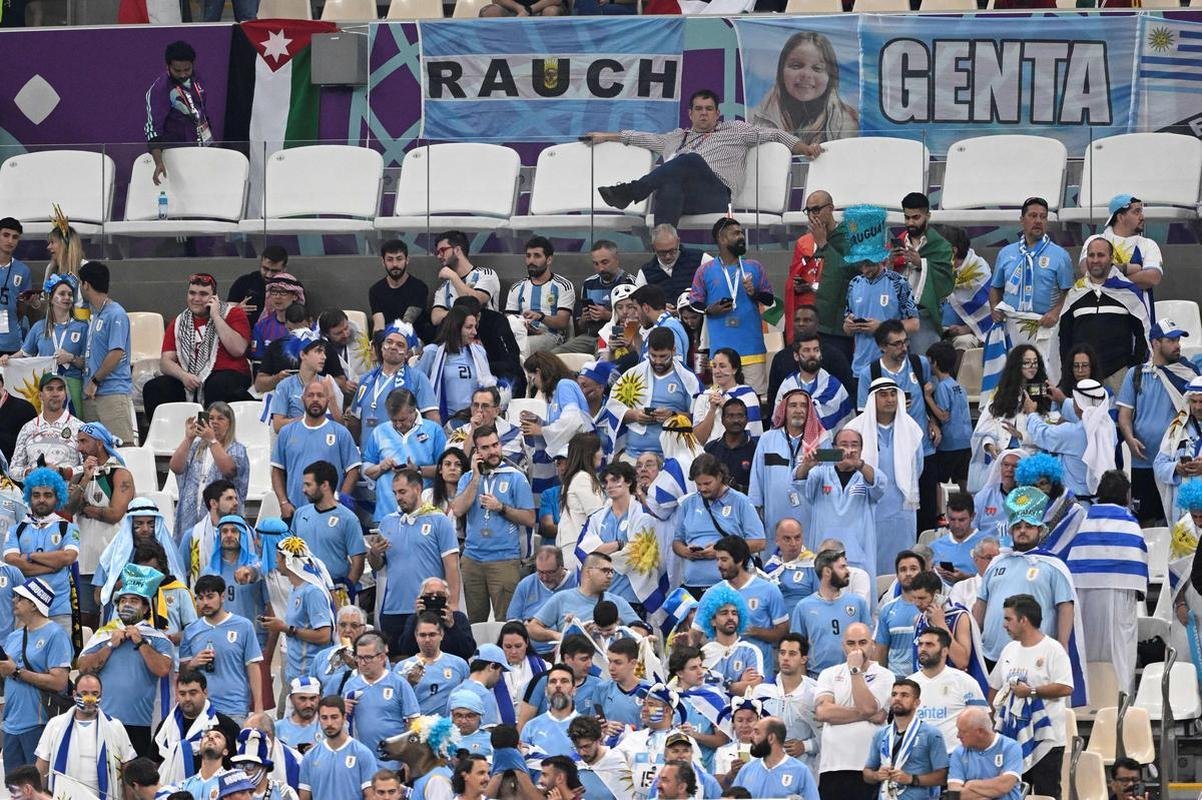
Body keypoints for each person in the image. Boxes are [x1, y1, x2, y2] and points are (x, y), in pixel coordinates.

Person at [589, 89, 821, 227]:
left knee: (690, 159)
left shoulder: (735, 130)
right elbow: (642, 138)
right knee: (668, 189)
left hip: (718, 195)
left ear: (717, 113)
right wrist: (606, 136)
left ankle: (631, 191)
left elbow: (776, 134)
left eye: (709, 109)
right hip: (686, 198)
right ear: (690, 113)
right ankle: (665, 254)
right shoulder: (676, 137)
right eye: (698, 109)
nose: (703, 113)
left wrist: (804, 148)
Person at [1049, 470, 1147, 695]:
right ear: (1126, 495)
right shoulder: (1130, 524)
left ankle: (1090, 700)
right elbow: (1139, 566)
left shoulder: (1084, 521)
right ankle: (1121, 702)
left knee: (1088, 649)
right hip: (1120, 594)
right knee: (1120, 652)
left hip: (1084, 592)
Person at [973, 487, 1081, 675]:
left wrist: (1063, 645)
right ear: (1011, 531)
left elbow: (1065, 606)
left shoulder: (1053, 565)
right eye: (1018, 526)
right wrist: (973, 640)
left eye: (1029, 526)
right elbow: (981, 603)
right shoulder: (996, 562)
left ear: (1040, 530)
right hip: (990, 654)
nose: (1022, 531)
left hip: (1035, 654)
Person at [77, 564, 173, 757]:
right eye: (123, 601)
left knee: (135, 774)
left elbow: (162, 669)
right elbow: (83, 668)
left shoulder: (158, 639)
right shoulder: (103, 634)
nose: (127, 605)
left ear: (145, 607)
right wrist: (110, 645)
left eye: (134, 601)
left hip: (139, 724)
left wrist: (140, 642)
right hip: (104, 719)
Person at [988, 593, 1073, 797]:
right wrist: (992, 717)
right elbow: (995, 686)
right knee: (1013, 793)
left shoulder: (1053, 649)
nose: (1004, 625)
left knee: (1047, 793)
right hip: (1012, 737)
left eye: (1008, 619)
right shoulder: (1009, 650)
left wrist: (1031, 692)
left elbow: (1066, 687)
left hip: (1047, 738)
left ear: (1023, 620)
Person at [1118, 318, 1199, 525]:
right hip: (1143, 462)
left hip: (1174, 463)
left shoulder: (1189, 374)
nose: (1177, 345)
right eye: (1171, 340)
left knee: (1177, 518)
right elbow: (1124, 415)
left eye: (1178, 340)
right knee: (1144, 519)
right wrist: (1129, 439)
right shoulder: (1135, 374)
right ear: (1155, 343)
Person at [451, 424, 536, 623]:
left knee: (506, 622)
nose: (493, 451)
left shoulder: (516, 477)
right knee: (474, 622)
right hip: (472, 560)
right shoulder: (468, 478)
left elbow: (530, 519)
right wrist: (475, 477)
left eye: (495, 445)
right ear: (476, 452)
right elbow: (458, 510)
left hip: (504, 559)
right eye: (486, 448)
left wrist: (501, 508)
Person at [989, 197, 1076, 384]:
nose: (1038, 221)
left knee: (1044, 379)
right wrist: (994, 307)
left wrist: (1055, 312)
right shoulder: (1006, 253)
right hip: (1011, 327)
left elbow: (1069, 292)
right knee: (1011, 380)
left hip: (1044, 327)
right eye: (1033, 216)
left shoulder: (1060, 255)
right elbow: (995, 287)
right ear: (1022, 220)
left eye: (1043, 217)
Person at [370, 466, 461, 647]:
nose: (398, 497)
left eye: (402, 492)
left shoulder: (439, 520)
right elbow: (377, 566)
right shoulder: (387, 522)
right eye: (395, 493)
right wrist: (374, 552)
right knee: (395, 660)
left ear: (418, 489)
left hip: (428, 608)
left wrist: (453, 606)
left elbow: (452, 567)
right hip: (393, 608)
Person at [144, 272, 252, 421]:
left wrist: (216, 317)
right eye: (192, 293)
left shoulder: (233, 314)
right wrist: (183, 376)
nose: (196, 298)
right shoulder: (180, 322)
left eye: (203, 294)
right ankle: (167, 432)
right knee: (155, 387)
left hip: (228, 375)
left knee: (216, 385)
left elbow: (237, 350)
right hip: (190, 377)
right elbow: (165, 362)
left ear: (214, 297)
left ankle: (211, 433)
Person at [848, 376, 926, 575]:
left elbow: (918, 467)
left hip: (901, 508)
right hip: (866, 506)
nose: (890, 399)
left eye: (893, 394)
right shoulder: (854, 430)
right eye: (883, 395)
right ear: (872, 399)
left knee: (902, 561)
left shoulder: (911, 429)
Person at [688, 218, 774, 395]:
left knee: (754, 399)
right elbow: (694, 302)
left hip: (752, 350)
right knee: (723, 401)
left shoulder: (755, 267)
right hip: (721, 354)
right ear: (722, 238)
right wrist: (709, 310)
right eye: (736, 233)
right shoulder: (705, 270)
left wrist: (755, 293)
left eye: (741, 232)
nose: (741, 237)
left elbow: (769, 299)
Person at [812, 621, 893, 800]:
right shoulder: (828, 673)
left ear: (872, 644)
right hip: (832, 767)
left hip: (869, 767)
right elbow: (823, 712)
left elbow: (867, 706)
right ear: (843, 646)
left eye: (862, 642)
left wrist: (855, 670)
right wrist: (868, 715)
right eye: (851, 643)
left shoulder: (885, 675)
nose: (857, 649)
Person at [1058, 236, 1150, 393]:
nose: (1095, 260)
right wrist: (1069, 370)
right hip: (1082, 375)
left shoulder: (1129, 292)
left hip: (1119, 374)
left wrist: (1133, 367)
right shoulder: (1075, 294)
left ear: (1111, 258)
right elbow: (1064, 338)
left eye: (1100, 255)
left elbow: (1144, 334)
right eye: (1091, 255)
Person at [0, 577, 73, 773]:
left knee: (37, 786)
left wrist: (16, 671)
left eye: (19, 597)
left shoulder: (56, 635)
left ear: (33, 604)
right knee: (14, 787)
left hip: (38, 724)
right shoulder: (14, 636)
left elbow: (59, 682)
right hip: (10, 723)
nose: (14, 600)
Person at [65, 422, 134, 627]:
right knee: (86, 622)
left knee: (116, 620)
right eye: (78, 442)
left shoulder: (120, 474)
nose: (79, 448)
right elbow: (68, 509)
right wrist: (86, 479)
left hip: (113, 561)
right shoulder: (79, 477)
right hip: (84, 561)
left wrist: (85, 508)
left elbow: (115, 514)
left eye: (84, 441)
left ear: (100, 443)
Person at [33, 673, 137, 800]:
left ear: (101, 695)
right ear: (74, 694)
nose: (89, 699)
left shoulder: (115, 726)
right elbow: (42, 765)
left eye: (95, 693)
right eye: (84, 693)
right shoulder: (55, 725)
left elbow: (127, 768)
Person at [673, 454, 765, 596]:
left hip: (731, 585)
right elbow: (677, 542)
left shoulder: (740, 501)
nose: (702, 489)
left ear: (720, 477)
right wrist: (686, 552)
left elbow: (759, 542)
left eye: (707, 483)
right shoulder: (688, 504)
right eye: (698, 484)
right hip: (693, 586)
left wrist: (722, 551)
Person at [604, 328, 701, 459]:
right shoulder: (633, 375)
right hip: (634, 454)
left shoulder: (687, 379)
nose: (658, 361)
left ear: (673, 350)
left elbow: (698, 417)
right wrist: (634, 415)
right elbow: (613, 406)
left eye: (663, 356)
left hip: (672, 457)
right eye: (653, 355)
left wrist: (673, 416)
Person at [749, 389, 826, 553]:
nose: (799, 410)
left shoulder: (822, 440)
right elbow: (756, 479)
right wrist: (755, 515)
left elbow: (829, 479)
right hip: (775, 517)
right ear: (784, 409)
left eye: (803, 406)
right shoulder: (767, 439)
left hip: (810, 518)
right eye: (793, 405)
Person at [4, 468, 79, 635]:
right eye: (36, 495)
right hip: (25, 610)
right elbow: (13, 562)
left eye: (48, 495)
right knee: (22, 653)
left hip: (58, 609)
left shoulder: (68, 527)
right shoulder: (16, 529)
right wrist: (53, 566)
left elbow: (68, 557)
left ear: (57, 497)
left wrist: (30, 556)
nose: (41, 500)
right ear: (29, 497)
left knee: (60, 653)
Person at [748, 29, 858, 142]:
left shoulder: (849, 123)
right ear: (781, 71)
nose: (806, 75)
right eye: (796, 66)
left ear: (830, 76)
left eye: (817, 68)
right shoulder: (752, 121)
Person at [270, 381, 360, 517]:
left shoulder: (340, 432)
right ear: (303, 399)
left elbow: (353, 470)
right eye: (310, 395)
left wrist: (341, 499)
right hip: (295, 511)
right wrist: (283, 502)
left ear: (328, 400)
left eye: (320, 395)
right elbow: (277, 470)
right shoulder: (286, 432)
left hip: (330, 512)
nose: (315, 399)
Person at [181, 574, 264, 721]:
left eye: (210, 597)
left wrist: (258, 708)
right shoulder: (190, 631)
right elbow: (182, 674)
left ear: (222, 597)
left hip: (234, 708)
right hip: (200, 710)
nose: (205, 602)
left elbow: (253, 667)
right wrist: (193, 664)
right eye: (200, 598)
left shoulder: (244, 626)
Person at [3, 274, 87, 413]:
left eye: (70, 294)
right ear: (51, 298)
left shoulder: (82, 327)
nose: (67, 297)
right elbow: (24, 354)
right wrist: (8, 358)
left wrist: (71, 358)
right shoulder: (39, 327)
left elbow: (88, 363)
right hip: (47, 387)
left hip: (73, 385)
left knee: (74, 424)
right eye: (62, 294)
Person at [259, 536, 334, 687]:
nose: (275, 561)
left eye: (278, 557)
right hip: (294, 672)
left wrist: (286, 628)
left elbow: (324, 635)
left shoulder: (312, 592)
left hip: (309, 675)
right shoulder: (295, 588)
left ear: (287, 560)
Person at [168, 401, 250, 539]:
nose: (214, 422)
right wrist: (188, 438)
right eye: (211, 418)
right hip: (190, 514)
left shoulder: (237, 449)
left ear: (229, 424)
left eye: (220, 418)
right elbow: (175, 467)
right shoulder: (196, 447)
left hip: (223, 518)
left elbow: (228, 470)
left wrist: (212, 440)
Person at [341, 631, 420, 770]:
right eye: (359, 657)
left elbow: (414, 722)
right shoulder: (350, 685)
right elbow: (342, 723)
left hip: (393, 763)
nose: (362, 663)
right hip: (361, 762)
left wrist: (409, 757)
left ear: (382, 657)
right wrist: (342, 710)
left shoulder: (399, 684)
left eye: (368, 658)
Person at [1026, 377, 1116, 498]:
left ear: (1079, 404)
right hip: (1099, 499)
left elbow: (1042, 434)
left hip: (1075, 501)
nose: (1072, 403)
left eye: (1074, 400)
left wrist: (1031, 414)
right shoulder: (1109, 426)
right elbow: (1088, 416)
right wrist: (1062, 400)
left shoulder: (1072, 433)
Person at [78, 262, 136, 444]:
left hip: (111, 393)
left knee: (123, 449)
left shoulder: (116, 314)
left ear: (86, 285)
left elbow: (116, 353)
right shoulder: (96, 315)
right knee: (93, 452)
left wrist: (95, 381)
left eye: (80, 283)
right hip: (91, 394)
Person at [788, 549, 871, 677]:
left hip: (853, 674)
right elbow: (797, 648)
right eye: (842, 567)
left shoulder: (858, 603)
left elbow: (869, 644)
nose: (848, 571)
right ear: (827, 571)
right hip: (817, 676)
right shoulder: (803, 607)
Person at [154, 668, 242, 785]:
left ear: (205, 693)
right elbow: (154, 761)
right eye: (182, 694)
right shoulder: (166, 726)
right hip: (170, 789)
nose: (187, 698)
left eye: (193, 693)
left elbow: (237, 765)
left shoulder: (225, 725)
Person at [862, 679, 948, 799]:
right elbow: (867, 773)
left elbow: (943, 776)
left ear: (916, 702)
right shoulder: (881, 734)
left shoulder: (931, 734)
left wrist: (912, 779)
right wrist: (877, 775)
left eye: (904, 695)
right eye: (894, 694)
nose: (897, 698)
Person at [351, 321, 438, 438]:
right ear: (382, 347)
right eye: (389, 342)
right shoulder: (366, 379)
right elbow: (355, 420)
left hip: (402, 448)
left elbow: (432, 418)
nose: (393, 347)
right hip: (368, 448)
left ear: (407, 353)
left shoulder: (417, 378)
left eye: (400, 345)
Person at [893, 193, 955, 355]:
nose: (910, 223)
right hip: (896, 315)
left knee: (924, 363)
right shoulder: (898, 243)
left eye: (916, 217)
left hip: (924, 315)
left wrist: (921, 263)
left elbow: (946, 282)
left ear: (928, 216)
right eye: (907, 217)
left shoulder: (941, 246)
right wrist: (890, 262)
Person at [530, 552, 641, 641]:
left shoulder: (617, 601)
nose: (610, 576)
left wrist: (616, 632)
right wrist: (557, 636)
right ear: (588, 572)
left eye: (611, 571)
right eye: (605, 571)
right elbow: (532, 627)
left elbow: (642, 629)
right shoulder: (562, 598)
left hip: (608, 660)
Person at [289, 459, 364, 589]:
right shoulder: (300, 514)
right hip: (305, 587)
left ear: (324, 485)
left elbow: (358, 562)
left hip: (335, 588)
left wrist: (346, 591)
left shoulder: (348, 519)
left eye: (308, 485)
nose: (303, 490)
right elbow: (291, 552)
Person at [146, 40, 212, 185]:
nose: (183, 74)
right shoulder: (160, 89)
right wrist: (158, 162)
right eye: (177, 71)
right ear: (168, 66)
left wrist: (211, 146)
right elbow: (153, 130)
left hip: (202, 149)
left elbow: (201, 112)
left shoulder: (197, 78)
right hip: (176, 155)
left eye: (187, 69)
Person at [555, 240, 636, 355]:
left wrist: (607, 315)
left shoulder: (630, 283)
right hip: (589, 336)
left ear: (616, 259)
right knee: (555, 355)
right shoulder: (589, 283)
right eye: (596, 264)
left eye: (605, 262)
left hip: (617, 336)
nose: (601, 268)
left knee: (600, 356)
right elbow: (580, 326)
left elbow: (637, 320)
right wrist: (584, 318)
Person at [418, 305, 496, 423]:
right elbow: (417, 385)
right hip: (443, 420)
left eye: (475, 327)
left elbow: (487, 385)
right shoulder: (433, 352)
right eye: (469, 327)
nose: (474, 332)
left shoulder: (479, 352)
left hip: (475, 420)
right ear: (455, 327)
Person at [7, 373, 83, 483]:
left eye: (60, 389)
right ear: (40, 395)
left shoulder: (79, 427)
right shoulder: (28, 428)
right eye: (50, 389)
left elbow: (90, 465)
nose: (55, 394)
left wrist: (62, 472)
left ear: (65, 395)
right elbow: (13, 469)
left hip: (68, 492)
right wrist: (29, 472)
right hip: (35, 491)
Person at [297, 696, 376, 800]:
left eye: (334, 717)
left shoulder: (363, 753)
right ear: (319, 719)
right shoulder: (310, 756)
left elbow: (371, 796)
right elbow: (304, 797)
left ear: (344, 717)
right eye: (324, 718)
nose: (329, 723)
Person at [506, 236, 576, 353]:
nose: (531, 261)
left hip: (552, 336)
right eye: (528, 256)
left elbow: (562, 322)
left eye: (537, 256)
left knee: (520, 347)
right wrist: (523, 325)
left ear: (549, 260)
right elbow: (509, 318)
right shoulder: (517, 287)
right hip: (522, 334)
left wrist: (541, 317)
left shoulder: (563, 285)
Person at [774, 332, 853, 432]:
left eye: (816, 350)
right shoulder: (787, 386)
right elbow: (777, 422)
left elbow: (848, 426)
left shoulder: (834, 387)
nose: (812, 354)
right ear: (796, 356)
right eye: (806, 350)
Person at [395, 612, 470, 716]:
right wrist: (409, 684)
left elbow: (469, 696)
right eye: (422, 635)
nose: (427, 640)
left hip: (449, 724)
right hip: (417, 723)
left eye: (432, 635)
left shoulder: (459, 664)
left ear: (441, 635)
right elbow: (395, 703)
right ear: (416, 636)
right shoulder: (402, 667)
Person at [508, 547, 578, 657]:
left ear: (561, 567)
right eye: (540, 572)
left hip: (566, 650)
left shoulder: (576, 583)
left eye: (550, 572)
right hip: (529, 652)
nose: (544, 578)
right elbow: (512, 620)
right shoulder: (526, 584)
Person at [945, 707, 1023, 800]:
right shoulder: (959, 752)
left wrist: (971, 784)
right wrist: (993, 790)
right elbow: (954, 794)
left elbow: (1004, 786)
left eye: (963, 731)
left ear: (980, 732)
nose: (958, 735)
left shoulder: (1010, 747)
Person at [430, 230, 500, 327]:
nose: (438, 256)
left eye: (443, 250)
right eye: (437, 252)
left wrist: (453, 276)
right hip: (456, 334)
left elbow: (475, 303)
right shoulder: (444, 287)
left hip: (485, 331)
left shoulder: (485, 274)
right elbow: (435, 317)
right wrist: (459, 313)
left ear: (457, 250)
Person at [1155, 376, 1202, 520]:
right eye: (1193, 401)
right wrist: (1176, 468)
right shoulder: (1177, 428)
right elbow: (1159, 465)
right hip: (1183, 511)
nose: (1198, 407)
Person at [693, 349, 763, 446]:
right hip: (708, 453)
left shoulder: (747, 395)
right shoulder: (704, 396)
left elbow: (751, 434)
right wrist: (712, 410)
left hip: (739, 453)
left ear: (734, 369)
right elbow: (698, 440)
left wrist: (725, 405)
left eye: (722, 366)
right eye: (714, 366)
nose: (717, 371)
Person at [926, 341, 972, 487]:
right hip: (966, 440)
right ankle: (967, 502)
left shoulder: (942, 387)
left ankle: (940, 503)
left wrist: (928, 397)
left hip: (950, 444)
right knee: (963, 479)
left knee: (938, 481)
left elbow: (944, 416)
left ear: (935, 362)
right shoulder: (959, 386)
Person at [1097, 194, 1163, 291]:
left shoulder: (1149, 244)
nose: (1142, 217)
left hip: (1138, 302)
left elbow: (1152, 278)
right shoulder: (1095, 241)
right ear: (1120, 217)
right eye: (1136, 212)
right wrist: (1127, 268)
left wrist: (1108, 282)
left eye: (1141, 212)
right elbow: (1087, 270)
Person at [368, 239, 430, 337]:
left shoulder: (419, 287)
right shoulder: (375, 290)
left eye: (399, 259)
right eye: (390, 259)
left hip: (415, 338)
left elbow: (407, 322)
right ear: (383, 262)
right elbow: (379, 324)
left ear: (407, 260)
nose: (395, 264)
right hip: (387, 339)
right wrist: (377, 342)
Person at [636, 224, 704, 305]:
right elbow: (637, 303)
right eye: (662, 252)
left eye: (672, 251)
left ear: (678, 241)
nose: (668, 256)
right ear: (653, 247)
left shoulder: (700, 258)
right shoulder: (645, 272)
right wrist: (659, 307)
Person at [704, 398, 758, 494]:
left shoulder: (756, 449)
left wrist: (737, 488)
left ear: (747, 419)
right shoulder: (710, 448)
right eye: (730, 416)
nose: (736, 420)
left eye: (740, 415)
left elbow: (760, 487)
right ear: (722, 420)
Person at [227, 246, 288, 329]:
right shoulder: (244, 282)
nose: (268, 275)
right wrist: (237, 310)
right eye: (265, 269)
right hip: (246, 332)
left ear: (284, 269)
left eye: (274, 271)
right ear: (261, 263)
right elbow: (226, 312)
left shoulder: (292, 288)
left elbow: (300, 317)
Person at [252, 273, 305, 360]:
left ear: (295, 296)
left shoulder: (307, 326)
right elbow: (258, 359)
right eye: (274, 292)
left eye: (283, 292)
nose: (277, 296)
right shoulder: (261, 326)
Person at [275, 677, 322, 751]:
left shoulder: (326, 726)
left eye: (312, 699)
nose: (308, 704)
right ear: (291, 699)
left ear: (319, 699)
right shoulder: (278, 728)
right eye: (302, 699)